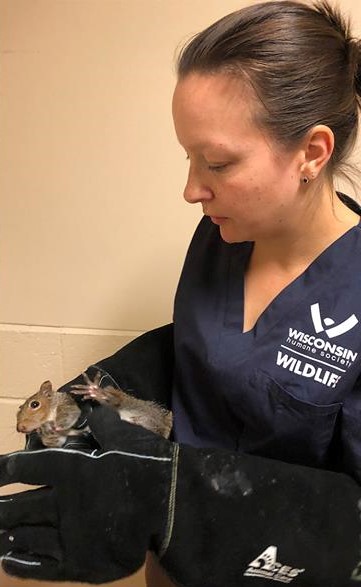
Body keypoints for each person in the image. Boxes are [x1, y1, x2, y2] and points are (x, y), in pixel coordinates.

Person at [2, 0, 361, 585]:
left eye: (217, 162)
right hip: (170, 567)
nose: (192, 189)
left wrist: (179, 502)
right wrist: (108, 393)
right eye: (188, 156)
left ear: (312, 154)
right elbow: (217, 356)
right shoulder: (223, 234)